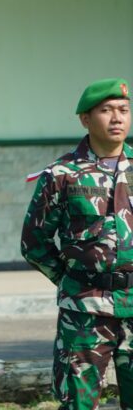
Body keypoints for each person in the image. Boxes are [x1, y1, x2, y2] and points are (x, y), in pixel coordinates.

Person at [21, 79, 133, 410]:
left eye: (124, 111)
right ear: (85, 118)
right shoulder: (62, 174)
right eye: (106, 111)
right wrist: (72, 281)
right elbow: (34, 242)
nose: (117, 118)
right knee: (78, 404)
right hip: (84, 310)